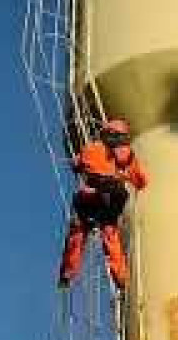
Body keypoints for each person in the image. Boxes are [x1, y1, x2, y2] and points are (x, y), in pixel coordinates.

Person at [57, 119, 148, 291]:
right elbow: (142, 181)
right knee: (110, 235)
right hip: (115, 197)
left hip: (92, 197)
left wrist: (77, 163)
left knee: (77, 233)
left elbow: (77, 165)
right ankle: (121, 279)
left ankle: (67, 274)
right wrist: (125, 176)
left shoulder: (91, 148)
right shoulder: (127, 154)